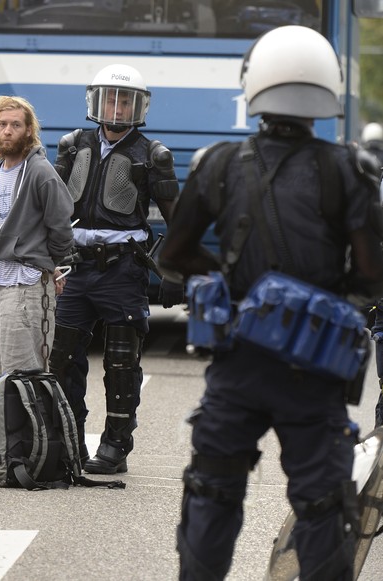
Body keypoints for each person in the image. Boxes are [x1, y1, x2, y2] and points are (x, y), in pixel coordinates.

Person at [157, 25, 383, 580]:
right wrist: (326, 305)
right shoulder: (350, 169)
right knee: (323, 505)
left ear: (253, 85)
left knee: (212, 491)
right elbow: (374, 275)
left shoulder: (218, 163)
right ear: (327, 89)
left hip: (238, 363)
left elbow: (173, 253)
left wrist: (239, 287)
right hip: (316, 371)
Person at [47, 64, 180, 472]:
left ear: (139, 106)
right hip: (75, 268)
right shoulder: (73, 145)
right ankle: (70, 441)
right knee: (62, 358)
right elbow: (52, 208)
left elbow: (178, 219)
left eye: (125, 100)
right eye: (111, 98)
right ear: (96, 100)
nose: (117, 107)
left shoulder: (153, 155)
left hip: (123, 270)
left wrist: (175, 272)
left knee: (122, 363)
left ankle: (116, 447)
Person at [0, 95, 74, 378]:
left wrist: (47, 263)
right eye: (2, 124)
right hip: (0, 279)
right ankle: (7, 424)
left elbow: (61, 227)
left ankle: (32, 424)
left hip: (28, 284)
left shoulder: (40, 171)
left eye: (15, 125)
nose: (7, 131)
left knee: (25, 373)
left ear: (29, 130)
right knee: (1, 373)